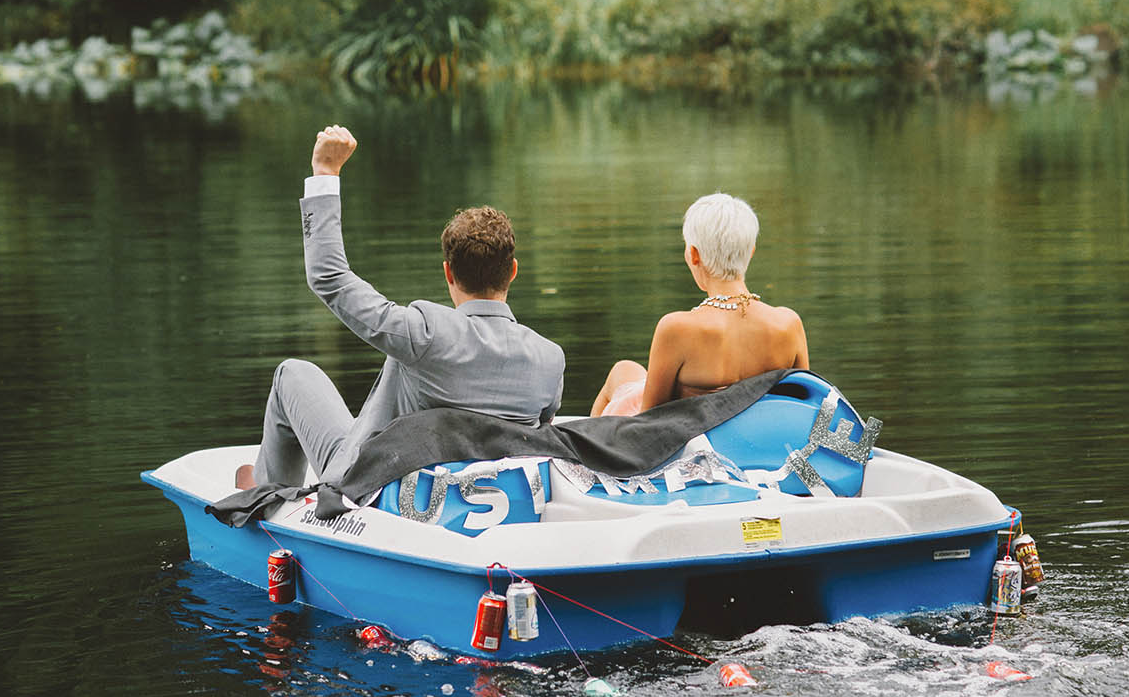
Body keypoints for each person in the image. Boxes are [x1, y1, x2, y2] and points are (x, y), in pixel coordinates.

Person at [239, 125, 566, 489]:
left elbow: (328, 277)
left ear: (448, 274)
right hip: (470, 495)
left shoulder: (425, 332)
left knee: (292, 374)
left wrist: (326, 174)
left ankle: (267, 498)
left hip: (374, 482)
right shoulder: (550, 359)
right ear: (514, 272)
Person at [589, 193, 807, 417]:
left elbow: (650, 422)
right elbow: (805, 402)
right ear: (751, 252)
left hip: (693, 441)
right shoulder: (788, 324)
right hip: (758, 438)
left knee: (621, 371)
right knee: (626, 369)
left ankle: (585, 448)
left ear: (694, 255)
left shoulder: (676, 328)